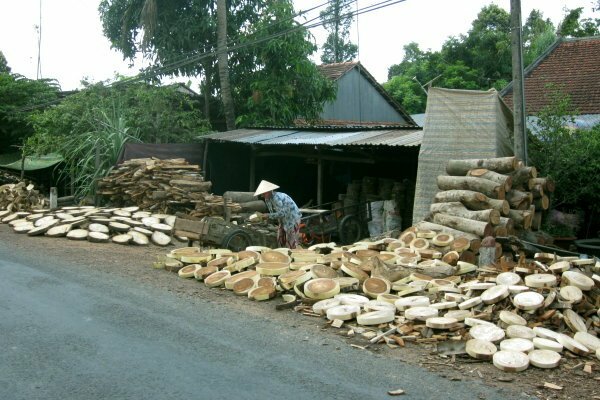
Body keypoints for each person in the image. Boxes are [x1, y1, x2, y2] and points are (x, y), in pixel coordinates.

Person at [254, 180, 302, 249]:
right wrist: (268, 218)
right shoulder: (267, 199)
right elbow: (273, 212)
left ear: (270, 191)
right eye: (262, 194)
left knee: (290, 239)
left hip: (292, 217)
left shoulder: (277, 198)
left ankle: (292, 254)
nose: (263, 195)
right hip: (283, 218)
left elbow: (282, 213)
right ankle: (281, 251)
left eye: (264, 193)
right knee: (280, 237)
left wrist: (268, 216)